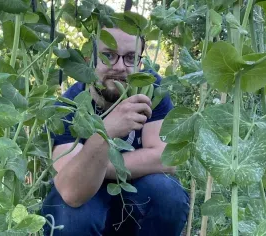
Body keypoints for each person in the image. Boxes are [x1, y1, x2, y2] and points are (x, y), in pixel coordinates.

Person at [40, 26, 190, 236]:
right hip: (84, 196)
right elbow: (72, 190)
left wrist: (97, 164)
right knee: (70, 216)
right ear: (88, 59)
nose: (120, 67)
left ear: (140, 61)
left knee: (167, 194)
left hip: (135, 192)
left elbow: (167, 158)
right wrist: (106, 131)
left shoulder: (150, 87)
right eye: (108, 55)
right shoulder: (68, 106)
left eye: (130, 57)